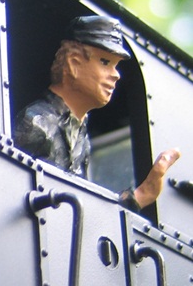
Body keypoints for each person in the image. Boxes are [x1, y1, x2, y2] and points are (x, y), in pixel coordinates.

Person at [14, 15, 181, 211]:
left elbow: (82, 210)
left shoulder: (82, 138)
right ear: (74, 63)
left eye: (116, 65)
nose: (116, 74)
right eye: (105, 62)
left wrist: (140, 197)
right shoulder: (37, 123)